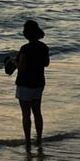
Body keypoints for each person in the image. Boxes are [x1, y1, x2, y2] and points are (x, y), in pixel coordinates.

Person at [15, 20, 49, 148]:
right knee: (37, 111)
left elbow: (22, 67)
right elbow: (46, 63)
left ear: (27, 34)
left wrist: (14, 64)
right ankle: (39, 138)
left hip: (25, 83)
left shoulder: (25, 48)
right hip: (39, 82)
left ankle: (28, 141)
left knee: (26, 114)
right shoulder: (44, 47)